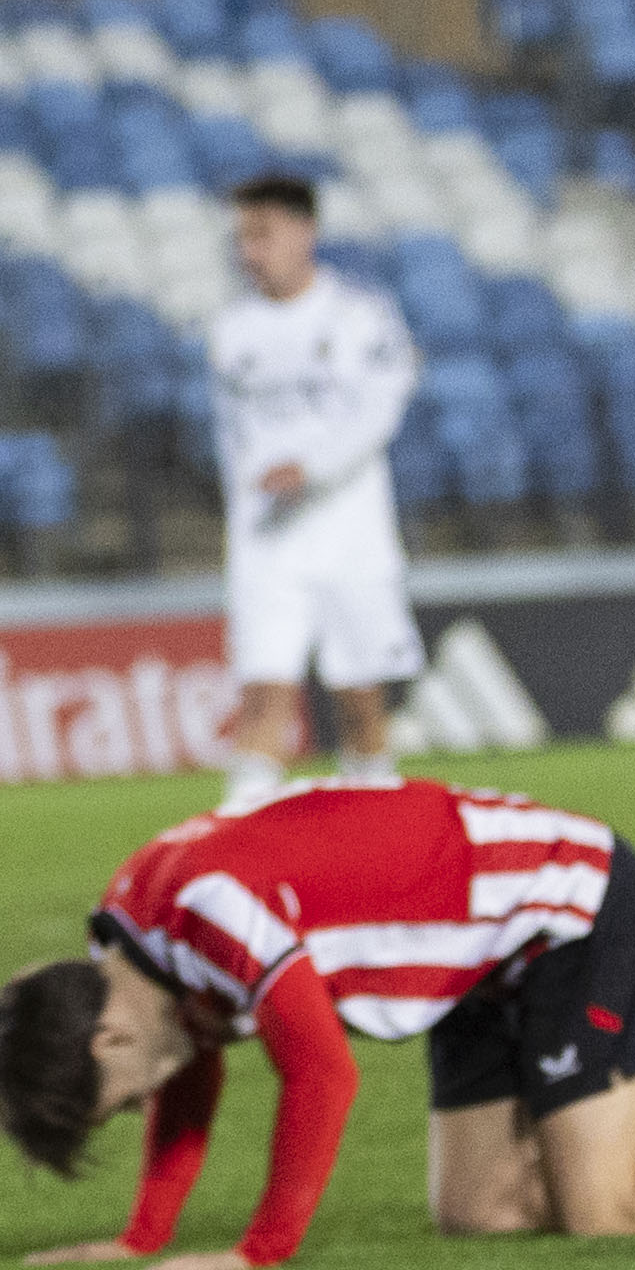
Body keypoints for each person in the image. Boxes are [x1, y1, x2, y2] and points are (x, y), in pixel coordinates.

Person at [0, 777, 635, 1270]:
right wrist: (141, 1236)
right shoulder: (141, 930)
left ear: (107, 1039)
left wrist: (257, 1253)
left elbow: (322, 1075)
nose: (144, 1102)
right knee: (483, 1214)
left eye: (123, 1098)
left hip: (568, 910)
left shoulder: (201, 910)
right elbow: (191, 1057)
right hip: (474, 969)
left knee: (603, 1213)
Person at [206, 174, 421, 805]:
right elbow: (231, 441)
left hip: (351, 538)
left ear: (306, 232)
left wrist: (312, 468)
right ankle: (236, 847)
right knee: (265, 693)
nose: (249, 251)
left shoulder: (360, 318)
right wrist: (243, 515)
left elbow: (379, 414)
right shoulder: (231, 330)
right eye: (243, 237)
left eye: (262, 234)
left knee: (358, 701)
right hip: (267, 543)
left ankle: (380, 837)